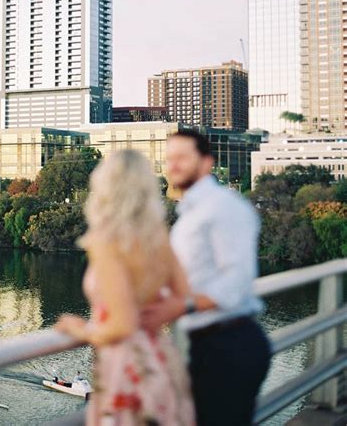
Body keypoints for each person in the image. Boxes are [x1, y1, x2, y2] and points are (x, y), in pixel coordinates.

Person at [142, 128, 271, 426]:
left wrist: (181, 306)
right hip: (206, 347)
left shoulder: (224, 207)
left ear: (206, 162)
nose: (173, 165)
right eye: (169, 158)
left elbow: (236, 283)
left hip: (230, 347)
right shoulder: (191, 214)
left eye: (182, 158)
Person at [56, 150, 195, 425]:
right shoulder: (158, 238)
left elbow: (122, 324)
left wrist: (80, 330)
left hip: (124, 368)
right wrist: (150, 317)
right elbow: (185, 296)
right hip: (159, 359)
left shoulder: (106, 243)